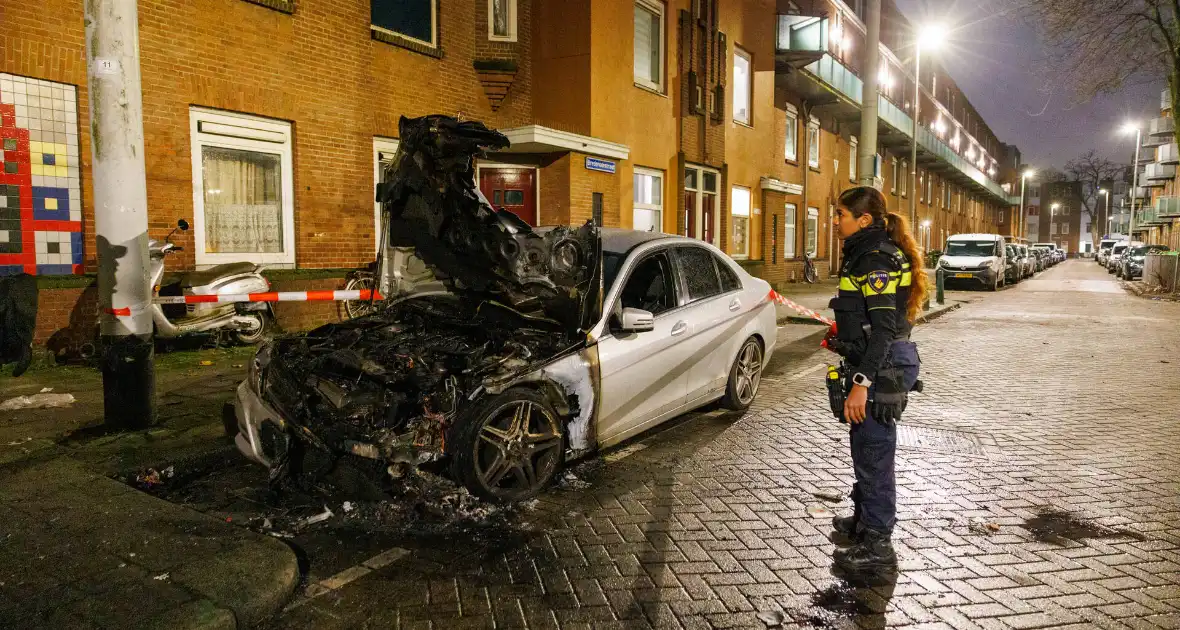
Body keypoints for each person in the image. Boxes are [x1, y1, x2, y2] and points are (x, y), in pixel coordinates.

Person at [826, 186, 928, 583]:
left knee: (874, 453)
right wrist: (844, 335)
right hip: (874, 361)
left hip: (879, 369)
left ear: (863, 220)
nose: (836, 221)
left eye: (840, 215)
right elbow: (870, 318)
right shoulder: (868, 253)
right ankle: (864, 521)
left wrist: (862, 384)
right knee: (865, 448)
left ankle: (878, 546)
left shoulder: (875, 259)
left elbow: (884, 329)